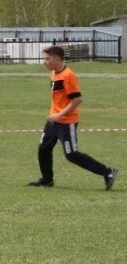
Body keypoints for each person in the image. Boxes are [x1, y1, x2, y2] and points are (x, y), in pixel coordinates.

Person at [28, 46, 117, 190]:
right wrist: (54, 114)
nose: (44, 62)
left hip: (66, 122)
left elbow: (77, 100)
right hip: (53, 121)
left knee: (71, 154)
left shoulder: (68, 76)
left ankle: (108, 172)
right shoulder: (54, 73)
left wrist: (59, 114)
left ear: (57, 59)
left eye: (47, 59)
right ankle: (47, 180)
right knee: (43, 149)